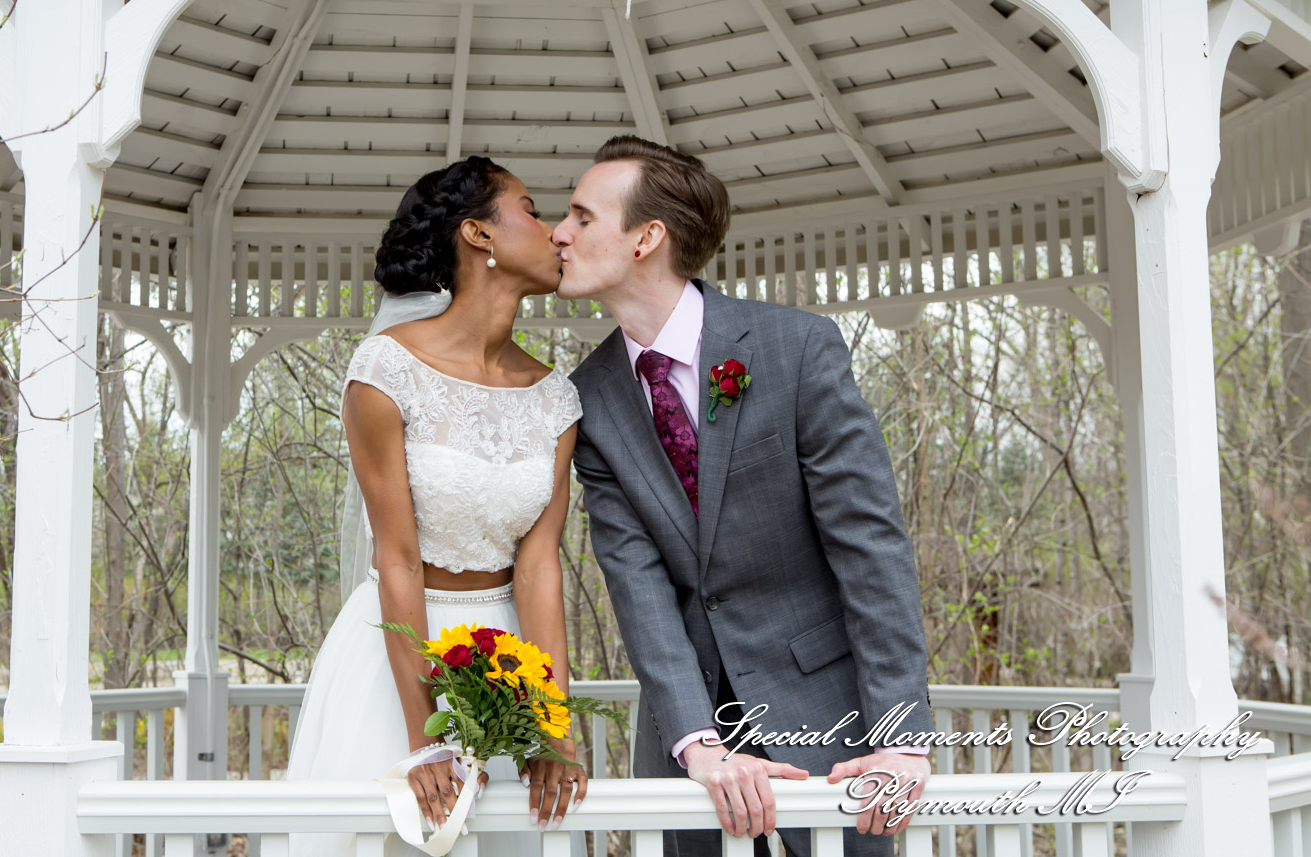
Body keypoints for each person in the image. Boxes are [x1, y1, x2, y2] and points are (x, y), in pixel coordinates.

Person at [551, 135, 935, 857]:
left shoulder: (797, 349)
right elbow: (637, 584)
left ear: (646, 238)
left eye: (580, 217)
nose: (558, 234)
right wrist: (696, 742)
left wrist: (903, 736)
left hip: (834, 724)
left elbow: (869, 548)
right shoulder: (588, 400)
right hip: (692, 736)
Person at [287, 156, 588, 857]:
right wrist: (426, 740)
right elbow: (396, 558)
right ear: (479, 233)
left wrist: (552, 725)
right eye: (532, 209)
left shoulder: (555, 398)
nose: (555, 233)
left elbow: (541, 568)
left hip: (508, 660)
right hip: (395, 662)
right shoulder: (385, 371)